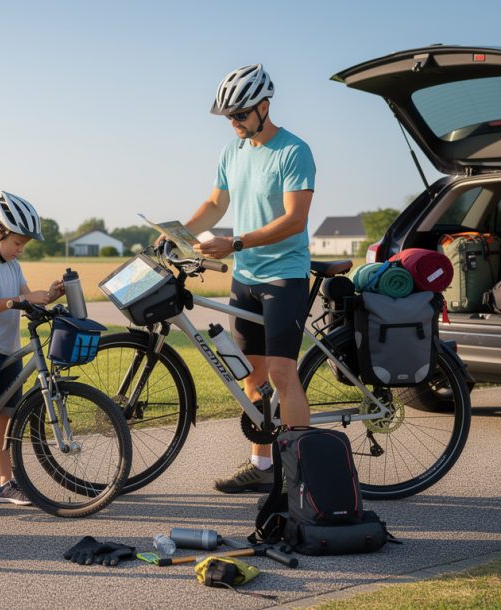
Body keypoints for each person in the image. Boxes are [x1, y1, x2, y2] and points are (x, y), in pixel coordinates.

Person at [182, 64, 316, 493]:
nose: (234, 123)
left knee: (281, 372)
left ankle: (299, 475)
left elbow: (295, 220)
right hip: (246, 278)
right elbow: (214, 204)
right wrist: (178, 237)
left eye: (240, 115)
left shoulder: (294, 151)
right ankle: (261, 466)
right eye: (228, 117)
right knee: (250, 374)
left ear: (263, 106)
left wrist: (236, 243)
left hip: (284, 276)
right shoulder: (232, 152)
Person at [0, 192, 65, 515]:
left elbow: (27, 295)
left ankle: (5, 483)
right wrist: (14, 303)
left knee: (7, 419)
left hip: (8, 349)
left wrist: (48, 294)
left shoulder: (14, 266)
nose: (21, 250)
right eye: (18, 243)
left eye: (23, 245)